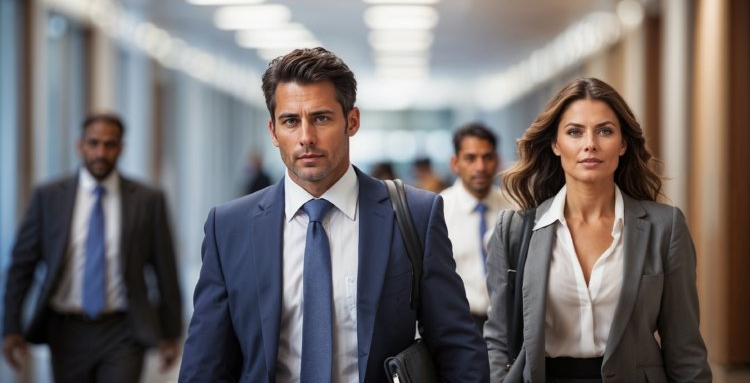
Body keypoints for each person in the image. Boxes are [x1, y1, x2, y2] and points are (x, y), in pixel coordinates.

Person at [179, 47, 489, 382]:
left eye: (321, 118)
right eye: (290, 121)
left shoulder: (415, 215)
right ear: (273, 132)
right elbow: (206, 361)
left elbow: (456, 345)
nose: (306, 138)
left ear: (351, 121)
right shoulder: (229, 227)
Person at [484, 77, 711, 382]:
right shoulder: (513, 229)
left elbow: (684, 345)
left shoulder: (664, 228)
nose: (590, 144)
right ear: (555, 144)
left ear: (622, 144)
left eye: (604, 131)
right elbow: (498, 338)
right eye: (574, 132)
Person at [2, 112, 183, 382]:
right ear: (80, 145)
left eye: (110, 145)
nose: (101, 152)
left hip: (124, 329)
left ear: (121, 148)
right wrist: (11, 326)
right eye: (94, 143)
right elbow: (21, 266)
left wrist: (171, 332)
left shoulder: (148, 200)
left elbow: (165, 269)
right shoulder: (49, 197)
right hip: (66, 330)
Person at [440, 123, 511, 332]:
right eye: (470, 158)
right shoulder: (439, 211)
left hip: (506, 322)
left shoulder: (514, 208)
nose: (480, 167)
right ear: (455, 163)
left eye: (487, 157)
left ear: (497, 161)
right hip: (459, 324)